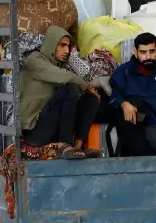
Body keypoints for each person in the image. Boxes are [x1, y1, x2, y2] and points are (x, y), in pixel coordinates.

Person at [20, 26, 102, 159]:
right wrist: (86, 85)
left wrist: (88, 90)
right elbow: (63, 77)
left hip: (52, 127)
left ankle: (77, 146)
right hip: (35, 132)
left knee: (91, 99)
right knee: (71, 88)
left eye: (68, 46)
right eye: (62, 45)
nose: (67, 50)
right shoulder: (35, 60)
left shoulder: (60, 65)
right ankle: (65, 145)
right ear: (52, 44)